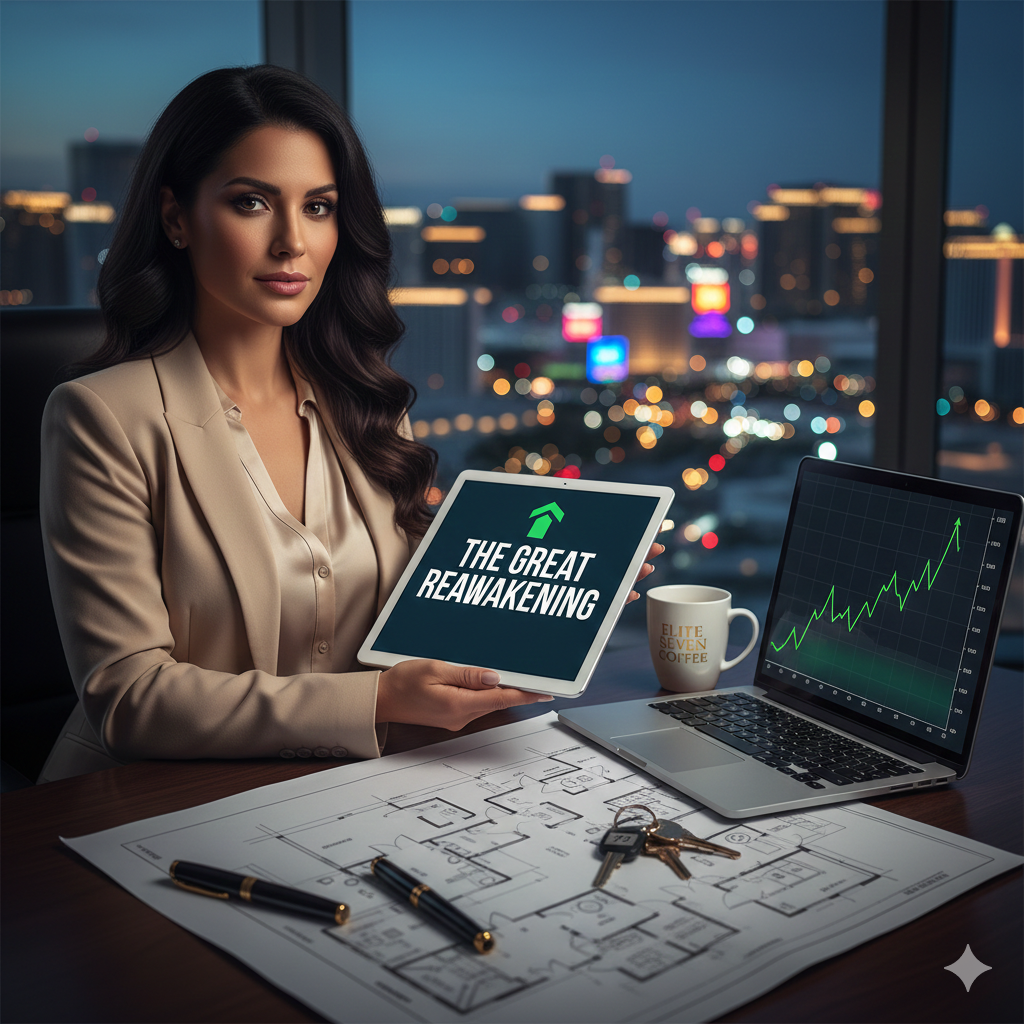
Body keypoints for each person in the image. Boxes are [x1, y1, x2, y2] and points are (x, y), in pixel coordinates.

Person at [38, 65, 661, 784]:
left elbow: (412, 618)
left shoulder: (362, 402)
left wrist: (561, 589)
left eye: (319, 207)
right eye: (251, 203)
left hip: (353, 789)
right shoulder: (101, 418)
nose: (291, 243)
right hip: (146, 802)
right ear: (176, 217)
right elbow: (129, 698)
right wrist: (375, 699)